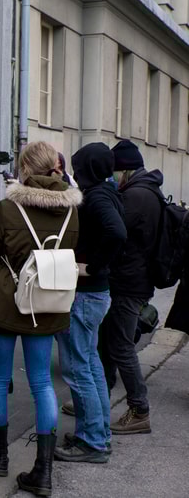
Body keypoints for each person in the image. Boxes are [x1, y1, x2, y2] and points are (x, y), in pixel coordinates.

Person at [0, 141, 81, 496]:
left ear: (24, 170)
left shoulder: (9, 207)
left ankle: (1, 457)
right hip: (47, 301)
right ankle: (43, 471)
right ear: (54, 166)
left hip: (6, 300)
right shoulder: (71, 210)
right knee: (42, 383)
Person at [53, 143, 126, 464]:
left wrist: (93, 265)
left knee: (79, 368)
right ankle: (97, 434)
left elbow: (116, 233)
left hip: (85, 293)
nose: (75, 174)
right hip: (95, 294)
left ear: (88, 169)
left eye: (78, 168)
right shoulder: (107, 192)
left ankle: (93, 441)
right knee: (91, 366)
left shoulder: (96, 197)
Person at [99, 139, 162, 435]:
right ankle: (99, 399)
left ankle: (140, 409)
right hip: (130, 280)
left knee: (122, 346)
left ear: (124, 170)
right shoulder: (145, 190)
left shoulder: (136, 196)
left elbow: (113, 231)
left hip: (129, 283)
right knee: (108, 341)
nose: (111, 177)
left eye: (114, 172)